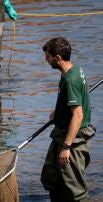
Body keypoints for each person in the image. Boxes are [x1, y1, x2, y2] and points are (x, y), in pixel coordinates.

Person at [40, 37, 95, 201]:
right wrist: (58, 111)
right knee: (51, 177)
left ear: (58, 58)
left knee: (74, 188)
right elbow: (71, 100)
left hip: (73, 139)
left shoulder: (71, 79)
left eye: (48, 56)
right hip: (61, 132)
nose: (46, 60)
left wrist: (66, 147)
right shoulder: (73, 70)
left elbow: (78, 115)